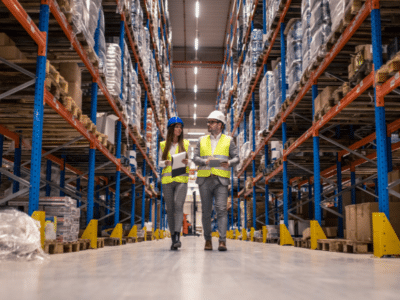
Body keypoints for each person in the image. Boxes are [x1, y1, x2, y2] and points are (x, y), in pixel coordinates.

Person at [193, 110, 240, 251]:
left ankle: (222, 241)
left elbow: (237, 158)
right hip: (204, 180)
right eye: (208, 122)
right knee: (206, 212)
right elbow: (194, 158)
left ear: (220, 125)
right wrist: (204, 161)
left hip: (221, 181)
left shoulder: (228, 140)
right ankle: (207, 240)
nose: (209, 124)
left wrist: (230, 163)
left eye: (212, 122)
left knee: (221, 210)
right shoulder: (201, 140)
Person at [160, 117, 189, 250]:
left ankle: (177, 237)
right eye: (176, 127)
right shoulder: (163, 145)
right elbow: (159, 163)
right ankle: (173, 239)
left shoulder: (186, 144)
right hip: (167, 179)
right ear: (171, 129)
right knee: (170, 210)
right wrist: (164, 163)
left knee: (178, 206)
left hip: (181, 178)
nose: (179, 129)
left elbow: (189, 161)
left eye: (180, 127)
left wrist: (187, 162)